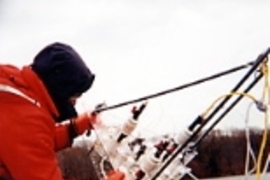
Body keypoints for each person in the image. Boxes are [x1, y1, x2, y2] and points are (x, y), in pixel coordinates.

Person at [0, 42, 125, 180]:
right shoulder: (26, 122)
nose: (75, 102)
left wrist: (73, 128)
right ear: (61, 89)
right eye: (74, 96)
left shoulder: (12, 80)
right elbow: (29, 137)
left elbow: (30, 144)